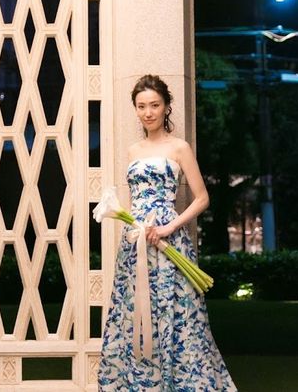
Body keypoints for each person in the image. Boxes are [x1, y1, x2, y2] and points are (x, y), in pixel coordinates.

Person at [98, 74, 237, 391]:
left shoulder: (179, 148)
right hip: (136, 243)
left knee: (178, 311)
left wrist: (170, 227)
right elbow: (135, 201)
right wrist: (135, 227)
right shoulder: (133, 151)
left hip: (169, 240)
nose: (148, 112)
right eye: (141, 106)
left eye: (154, 105)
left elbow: (202, 198)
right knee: (135, 311)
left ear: (166, 107)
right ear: (136, 109)